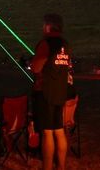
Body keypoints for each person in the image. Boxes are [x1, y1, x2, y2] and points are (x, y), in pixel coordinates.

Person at [30, 13, 72, 170]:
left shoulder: (45, 44)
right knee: (59, 131)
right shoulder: (65, 44)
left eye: (43, 25)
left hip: (45, 93)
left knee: (47, 133)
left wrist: (34, 62)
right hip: (60, 92)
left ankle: (47, 167)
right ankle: (61, 167)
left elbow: (36, 68)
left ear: (48, 26)